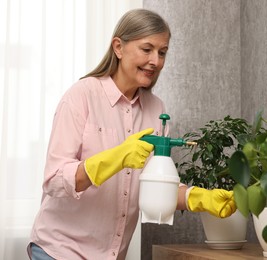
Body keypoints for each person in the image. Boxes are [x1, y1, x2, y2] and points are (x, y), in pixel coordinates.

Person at [27, 8, 236, 260]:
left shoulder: (156, 110)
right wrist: (114, 158)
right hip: (59, 251)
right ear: (118, 47)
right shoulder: (81, 96)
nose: (155, 61)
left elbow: (152, 186)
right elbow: (54, 180)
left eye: (162, 52)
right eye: (146, 49)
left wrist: (198, 197)